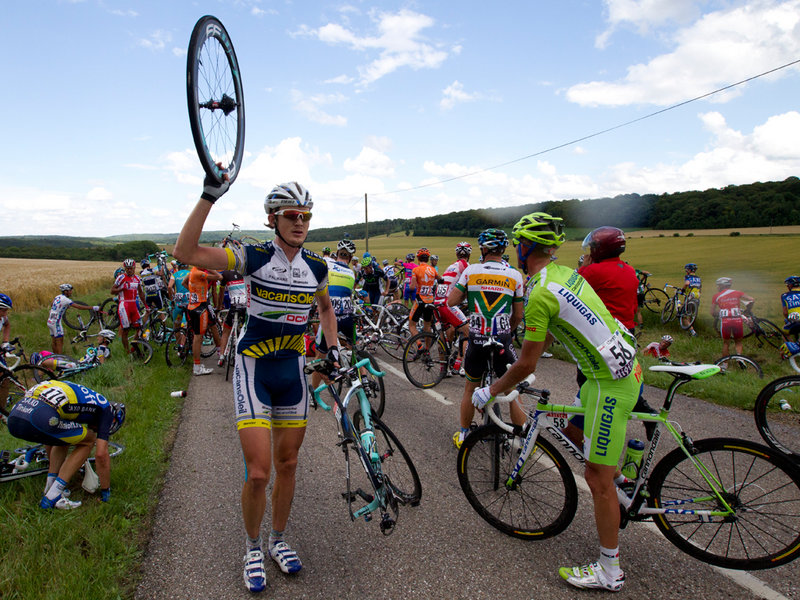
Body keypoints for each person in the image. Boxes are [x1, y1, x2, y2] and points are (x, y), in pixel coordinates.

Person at [173, 178, 339, 594]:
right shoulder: (253, 256)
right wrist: (210, 195)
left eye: (306, 217)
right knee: (260, 472)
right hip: (254, 368)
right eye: (291, 216)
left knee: (289, 465)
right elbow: (185, 252)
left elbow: (326, 309)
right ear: (273, 219)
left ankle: (277, 539)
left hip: (292, 372)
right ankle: (251, 547)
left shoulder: (317, 267)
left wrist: (333, 348)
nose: (300, 223)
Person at [472, 212, 642, 592]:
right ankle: (624, 480)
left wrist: (493, 389)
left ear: (527, 246)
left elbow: (528, 359)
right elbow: (554, 330)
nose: (515, 249)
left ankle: (609, 571)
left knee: (595, 477)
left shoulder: (537, 292)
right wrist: (523, 369)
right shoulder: (566, 274)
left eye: (518, 243)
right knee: (582, 437)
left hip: (607, 383)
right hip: (625, 365)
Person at [448, 229, 523, 448]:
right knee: (512, 390)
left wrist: (466, 296)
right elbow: (518, 315)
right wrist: (507, 330)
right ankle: (521, 440)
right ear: (502, 250)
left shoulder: (472, 271)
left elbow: (451, 300)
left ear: (483, 249)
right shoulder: (514, 275)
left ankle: (463, 435)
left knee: (470, 389)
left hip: (478, 339)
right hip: (502, 339)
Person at [6, 379, 125, 509]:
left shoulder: (84, 396)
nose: (97, 430)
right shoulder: (106, 409)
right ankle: (54, 495)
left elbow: (52, 438)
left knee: (64, 436)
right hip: (39, 416)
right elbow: (101, 455)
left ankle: (49, 487)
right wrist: (105, 491)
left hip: (15, 416)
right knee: (89, 440)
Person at [183, 266, 223, 375]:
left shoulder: (192, 271)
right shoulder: (199, 273)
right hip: (200, 307)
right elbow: (219, 276)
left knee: (198, 335)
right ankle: (197, 367)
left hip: (193, 305)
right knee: (198, 337)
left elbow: (183, 282)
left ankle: (197, 365)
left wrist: (193, 292)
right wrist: (209, 267)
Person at [440, 242, 473, 374]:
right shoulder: (465, 266)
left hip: (438, 302)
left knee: (447, 334)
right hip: (448, 304)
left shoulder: (451, 266)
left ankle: (444, 369)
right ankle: (459, 365)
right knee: (468, 332)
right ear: (469, 254)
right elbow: (470, 287)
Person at [46, 284, 99, 354]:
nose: (71, 292)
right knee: (59, 341)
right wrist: (92, 307)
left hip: (50, 321)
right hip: (56, 323)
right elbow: (79, 307)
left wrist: (63, 307)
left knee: (54, 341)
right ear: (65, 291)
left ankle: (54, 357)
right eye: (70, 291)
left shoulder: (58, 297)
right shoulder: (66, 300)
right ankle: (59, 358)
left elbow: (52, 303)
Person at [710, 277, 754, 356]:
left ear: (722, 286)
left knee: (726, 343)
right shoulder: (737, 292)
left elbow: (712, 312)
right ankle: (739, 357)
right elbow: (751, 299)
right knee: (738, 342)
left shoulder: (716, 296)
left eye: (718, 285)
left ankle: (725, 364)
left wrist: (719, 313)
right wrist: (747, 310)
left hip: (725, 321)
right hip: (737, 319)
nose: (717, 287)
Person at [111, 259, 146, 356]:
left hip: (134, 305)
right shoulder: (121, 278)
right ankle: (127, 352)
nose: (129, 270)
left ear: (134, 268)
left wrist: (146, 306)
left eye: (131, 268)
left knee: (140, 328)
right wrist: (122, 288)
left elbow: (141, 293)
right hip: (124, 305)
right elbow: (112, 291)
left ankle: (133, 346)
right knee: (125, 330)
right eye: (127, 268)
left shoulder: (138, 278)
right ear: (125, 268)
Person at [217, 269, 247, 367]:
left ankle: (221, 356)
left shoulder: (225, 274)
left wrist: (219, 306)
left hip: (234, 306)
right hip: (246, 306)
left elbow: (221, 293)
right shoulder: (245, 271)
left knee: (226, 331)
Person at [408, 248, 438, 338]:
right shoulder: (433, 269)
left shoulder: (416, 270)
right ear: (428, 259)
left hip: (420, 300)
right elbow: (440, 279)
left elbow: (412, 287)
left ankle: (419, 345)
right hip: (430, 300)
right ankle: (427, 350)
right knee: (427, 326)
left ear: (418, 259)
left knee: (412, 325)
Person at [782, 276, 800, 340]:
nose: (787, 286)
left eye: (788, 284)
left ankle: (792, 346)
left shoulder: (785, 296)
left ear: (791, 285)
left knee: (784, 333)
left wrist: (789, 320)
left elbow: (785, 313)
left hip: (795, 321)